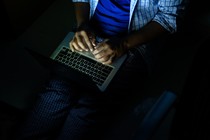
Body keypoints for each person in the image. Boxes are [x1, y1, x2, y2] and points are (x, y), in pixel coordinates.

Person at [14, 0, 188, 140]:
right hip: (89, 32)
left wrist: (123, 44)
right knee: (57, 90)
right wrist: (82, 25)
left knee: (90, 104)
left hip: (133, 45)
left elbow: (168, 17)